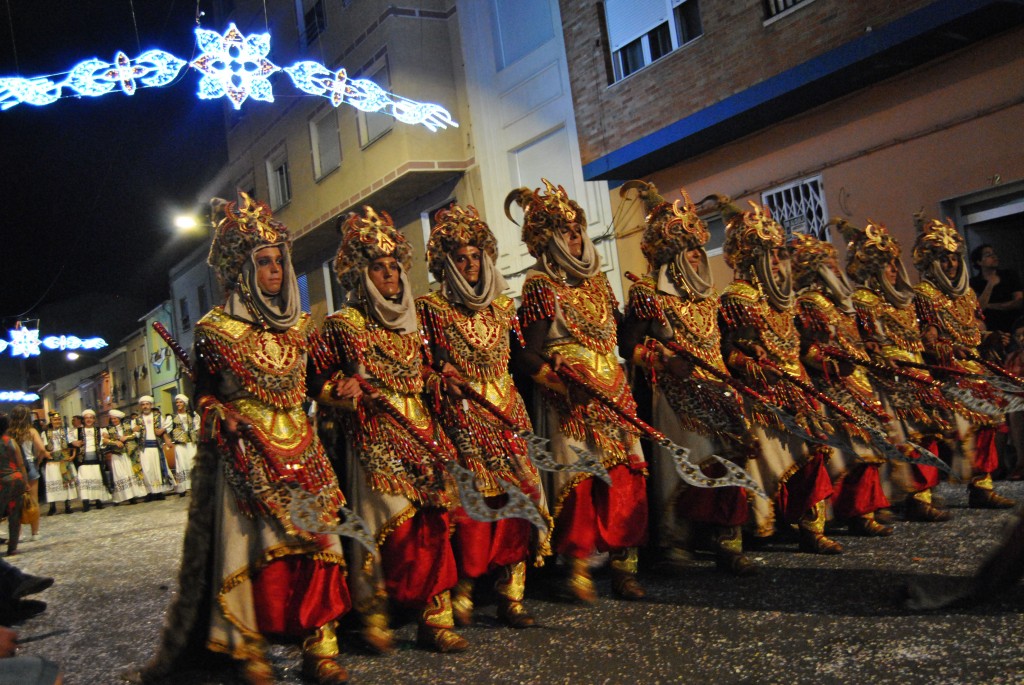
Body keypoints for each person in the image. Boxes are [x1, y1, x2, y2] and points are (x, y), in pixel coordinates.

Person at [142, 194, 351, 685]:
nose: (275, 269)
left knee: (319, 547)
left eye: (280, 260)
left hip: (303, 449)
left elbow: (318, 384)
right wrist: (221, 415)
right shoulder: (215, 331)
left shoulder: (302, 327)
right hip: (247, 455)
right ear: (242, 268)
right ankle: (249, 648)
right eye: (264, 261)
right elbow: (205, 397)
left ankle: (321, 648)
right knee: (255, 553)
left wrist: (339, 389)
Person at [316, 206, 466, 653]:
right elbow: (318, 381)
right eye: (379, 268)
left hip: (422, 431)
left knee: (435, 523)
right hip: (373, 435)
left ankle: (435, 617)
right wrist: (342, 390)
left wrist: (443, 379)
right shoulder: (343, 325)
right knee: (391, 524)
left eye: (394, 267)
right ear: (362, 275)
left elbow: (420, 373)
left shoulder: (412, 324)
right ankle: (375, 612)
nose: (389, 276)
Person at [508, 179, 648, 601]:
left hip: (614, 390)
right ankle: (579, 568)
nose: (574, 237)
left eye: (576, 229)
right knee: (581, 482)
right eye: (563, 231)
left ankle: (626, 567)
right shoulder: (539, 286)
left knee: (625, 478)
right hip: (570, 399)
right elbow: (525, 355)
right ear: (546, 241)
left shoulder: (600, 284)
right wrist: (563, 382)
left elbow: (622, 339)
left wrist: (643, 308)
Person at [417, 203, 551, 627]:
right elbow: (428, 361)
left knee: (516, 503)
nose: (471, 264)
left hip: (508, 412)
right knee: (473, 510)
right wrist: (443, 373)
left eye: (477, 256)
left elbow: (520, 356)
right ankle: (465, 590)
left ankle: (512, 594)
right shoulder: (432, 309)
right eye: (461, 258)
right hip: (462, 419)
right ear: (447, 265)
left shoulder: (503, 308)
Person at [619, 182, 760, 574]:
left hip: (720, 391)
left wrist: (747, 354)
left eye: (699, 249)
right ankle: (676, 540)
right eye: (690, 250)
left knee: (732, 458)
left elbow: (725, 341)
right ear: (673, 255)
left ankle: (729, 541)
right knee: (691, 462)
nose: (698, 256)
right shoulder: (649, 294)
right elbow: (627, 345)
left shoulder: (709, 296)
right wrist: (661, 360)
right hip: (674, 394)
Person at [715, 199, 840, 554]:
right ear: (750, 258)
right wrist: (756, 363)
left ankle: (811, 528)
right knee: (759, 463)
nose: (775, 261)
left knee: (812, 455)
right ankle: (755, 529)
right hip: (761, 395)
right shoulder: (739, 298)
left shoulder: (785, 299)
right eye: (767, 254)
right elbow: (729, 353)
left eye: (777, 253)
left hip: (797, 386)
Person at [838, 218, 955, 522]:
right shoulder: (865, 299)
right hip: (888, 378)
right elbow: (866, 340)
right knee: (904, 437)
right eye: (886, 264)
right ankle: (906, 497)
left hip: (915, 370)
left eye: (894, 263)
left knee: (926, 433)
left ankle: (923, 494)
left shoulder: (905, 297)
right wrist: (885, 359)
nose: (892, 269)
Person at [788, 231, 893, 537]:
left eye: (835, 261)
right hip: (831, 387)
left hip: (857, 382)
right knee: (845, 455)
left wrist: (869, 350)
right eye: (827, 262)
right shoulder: (811, 303)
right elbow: (806, 349)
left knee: (867, 450)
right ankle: (830, 520)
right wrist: (832, 365)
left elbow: (853, 342)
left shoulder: (842, 304)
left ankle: (864, 511)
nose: (835, 267)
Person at [912, 214, 1015, 509]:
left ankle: (982, 487)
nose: (951, 265)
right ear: (931, 262)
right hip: (945, 375)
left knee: (986, 427)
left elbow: (975, 331)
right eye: (944, 259)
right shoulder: (924, 294)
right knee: (945, 434)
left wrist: (991, 338)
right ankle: (921, 496)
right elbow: (925, 339)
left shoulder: (967, 293)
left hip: (974, 371)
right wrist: (947, 349)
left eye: (954, 258)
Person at [8, 408, 47, 541]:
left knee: (15, 501)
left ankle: (17, 533)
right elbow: (42, 448)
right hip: (30, 464)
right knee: (33, 500)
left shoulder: (9, 433)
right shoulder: (31, 431)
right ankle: (35, 532)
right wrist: (38, 460)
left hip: (14, 468)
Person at [969, 243, 1023, 335]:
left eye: (994, 253)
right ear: (979, 261)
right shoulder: (974, 283)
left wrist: (989, 306)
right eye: (988, 255)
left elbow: (1018, 302)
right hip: (990, 327)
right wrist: (990, 285)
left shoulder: (1009, 275)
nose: (994, 256)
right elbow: (979, 308)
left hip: (1015, 324)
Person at [69, 410, 111, 512]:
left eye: (91, 417)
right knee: (84, 481)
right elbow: (69, 441)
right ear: (83, 420)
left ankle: (98, 501)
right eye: (87, 418)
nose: (89, 419)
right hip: (83, 460)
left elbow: (105, 440)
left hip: (96, 458)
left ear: (94, 419)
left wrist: (107, 437)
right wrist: (74, 443)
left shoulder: (100, 430)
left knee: (97, 479)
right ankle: (86, 503)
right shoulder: (77, 431)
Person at [102, 410, 146, 505]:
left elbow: (137, 433)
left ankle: (132, 496)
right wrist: (115, 442)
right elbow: (104, 440)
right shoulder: (107, 429)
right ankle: (121, 496)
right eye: (112, 419)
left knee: (129, 473)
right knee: (120, 475)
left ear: (119, 418)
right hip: (116, 454)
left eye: (115, 418)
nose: (113, 420)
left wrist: (127, 437)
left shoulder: (128, 425)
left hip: (128, 454)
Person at [133, 397, 170, 500]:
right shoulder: (137, 420)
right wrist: (134, 430)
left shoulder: (158, 417)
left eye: (147, 404)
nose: (145, 406)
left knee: (157, 468)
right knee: (146, 470)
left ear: (151, 405)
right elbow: (134, 434)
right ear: (141, 406)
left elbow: (165, 429)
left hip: (155, 446)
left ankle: (158, 492)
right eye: (143, 404)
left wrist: (165, 435)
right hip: (144, 448)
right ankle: (149, 493)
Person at [0, 415, 27, 556]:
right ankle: (12, 547)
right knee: (14, 514)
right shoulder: (11, 442)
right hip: (15, 480)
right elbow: (20, 463)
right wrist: (26, 482)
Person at [40, 413, 76, 516]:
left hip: (64, 460)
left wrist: (73, 455)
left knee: (65, 482)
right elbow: (43, 448)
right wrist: (46, 455)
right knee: (52, 482)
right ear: (51, 421)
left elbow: (72, 444)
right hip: (53, 462)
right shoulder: (45, 433)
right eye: (55, 420)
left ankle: (67, 505)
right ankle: (52, 506)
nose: (57, 422)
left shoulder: (66, 431)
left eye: (59, 420)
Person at [163, 395, 198, 497]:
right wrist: (167, 440)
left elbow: (197, 427)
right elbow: (165, 430)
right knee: (181, 464)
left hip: (191, 442)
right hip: (180, 443)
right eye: (177, 402)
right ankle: (182, 488)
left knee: (192, 462)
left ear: (185, 404)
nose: (178, 404)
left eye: (180, 402)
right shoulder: (172, 417)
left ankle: (194, 486)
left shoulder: (192, 415)